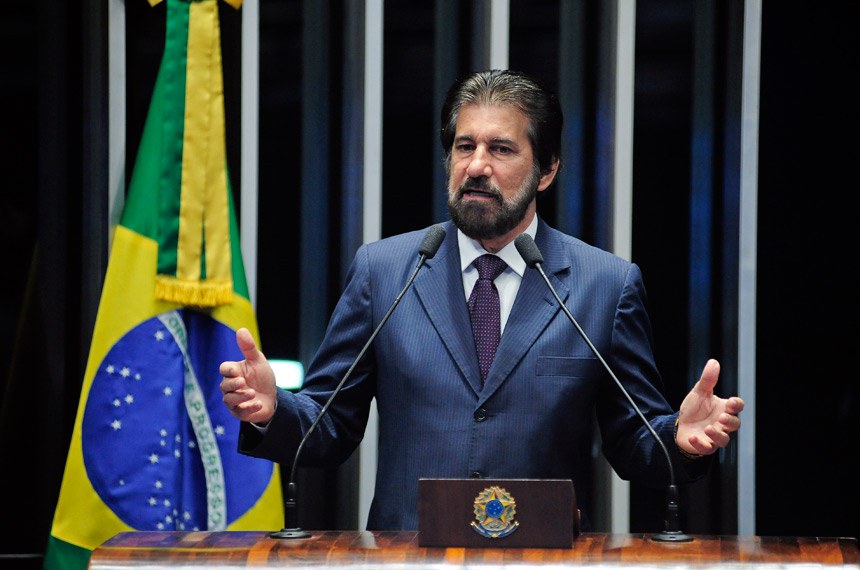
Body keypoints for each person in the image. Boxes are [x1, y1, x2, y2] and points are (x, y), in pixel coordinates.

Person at [219, 69, 745, 531]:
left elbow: (634, 441)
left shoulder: (603, 285)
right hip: (408, 555)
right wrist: (274, 411)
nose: (476, 165)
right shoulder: (385, 271)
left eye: (501, 148)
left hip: (544, 558)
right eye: (464, 146)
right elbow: (328, 426)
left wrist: (679, 437)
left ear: (547, 170)